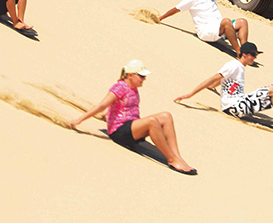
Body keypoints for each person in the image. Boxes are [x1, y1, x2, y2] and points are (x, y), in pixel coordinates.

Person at [69, 60, 197, 175]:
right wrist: (79, 120)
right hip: (119, 131)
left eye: (144, 76)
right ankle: (171, 159)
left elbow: (121, 105)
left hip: (132, 127)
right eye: (141, 76)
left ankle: (177, 157)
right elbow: (102, 104)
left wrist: (107, 113)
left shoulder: (133, 87)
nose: (144, 79)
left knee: (166, 116)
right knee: (152, 122)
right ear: (130, 75)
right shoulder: (119, 87)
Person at [174, 42, 273, 135]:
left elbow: (220, 81)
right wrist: (190, 94)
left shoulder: (239, 68)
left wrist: (213, 87)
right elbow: (213, 77)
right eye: (253, 55)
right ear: (244, 54)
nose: (255, 58)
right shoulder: (234, 65)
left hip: (237, 104)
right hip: (233, 107)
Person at [159, 0, 249, 54]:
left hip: (218, 26)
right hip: (206, 31)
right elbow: (176, 9)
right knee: (226, 22)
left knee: (242, 22)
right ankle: (239, 52)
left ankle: (245, 50)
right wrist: (161, 18)